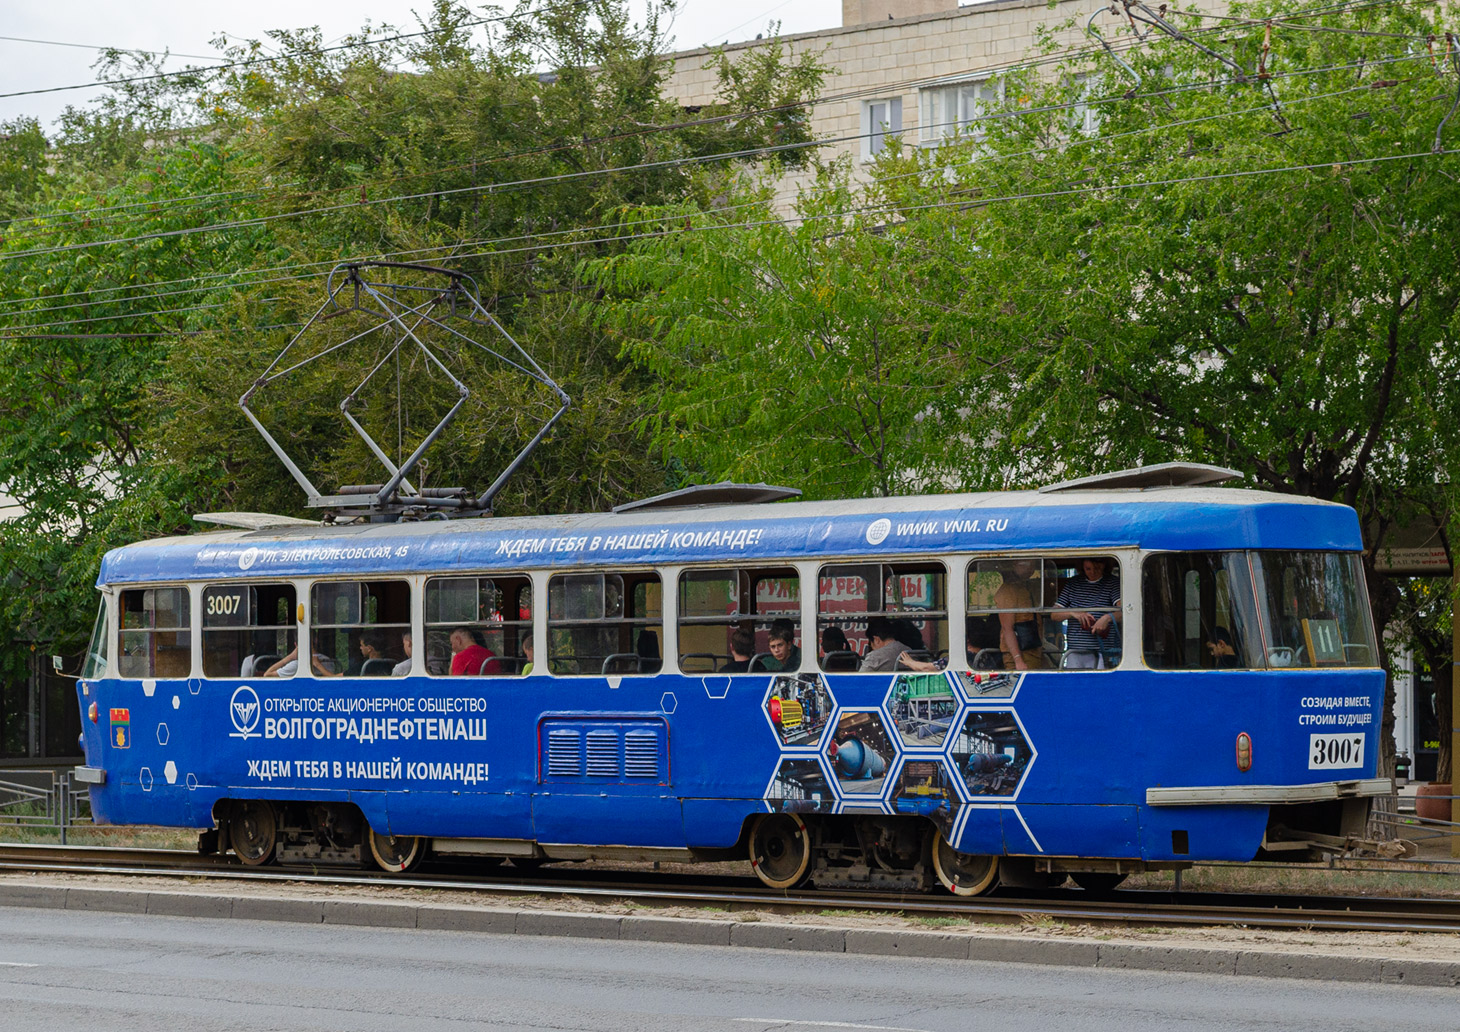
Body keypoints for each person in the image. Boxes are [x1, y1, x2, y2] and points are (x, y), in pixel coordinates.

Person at [1051, 557, 1121, 668]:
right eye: (1088, 569)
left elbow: (1125, 612)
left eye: (1097, 568)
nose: (1092, 572)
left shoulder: (1113, 583)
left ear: (1104, 565)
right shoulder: (1073, 583)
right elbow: (1054, 615)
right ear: (1082, 567)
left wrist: (1107, 618)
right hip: (1075, 651)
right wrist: (1073, 613)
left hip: (1103, 652)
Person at [994, 559, 1047, 671]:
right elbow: (1007, 628)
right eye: (1026, 565)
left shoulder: (1027, 587)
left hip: (1034, 651)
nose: (1030, 570)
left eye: (1033, 566)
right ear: (1014, 565)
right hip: (1020, 656)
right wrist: (1018, 660)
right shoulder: (1008, 591)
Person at [859, 617, 941, 673]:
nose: (872, 648)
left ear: (876, 640)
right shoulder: (910, 652)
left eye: (871, 644)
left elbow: (859, 679)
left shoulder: (874, 656)